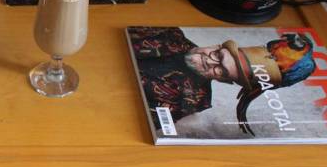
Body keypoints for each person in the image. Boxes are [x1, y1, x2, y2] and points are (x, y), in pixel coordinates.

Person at [128, 27, 316, 135]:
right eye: (218, 55)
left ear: (224, 80)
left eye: (221, 70)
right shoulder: (171, 34)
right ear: (218, 46)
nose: (209, 61)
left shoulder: (193, 99)